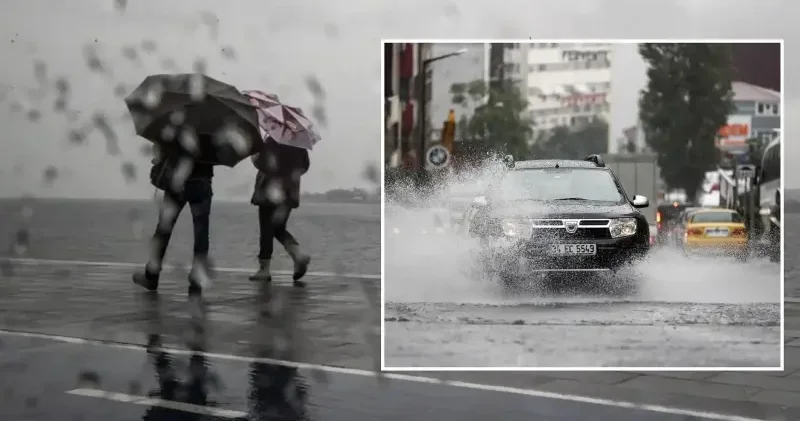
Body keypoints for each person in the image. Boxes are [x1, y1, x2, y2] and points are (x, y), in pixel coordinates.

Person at [133, 136, 215, 295]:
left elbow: (163, 148)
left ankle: (151, 275)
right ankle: (197, 280)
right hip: (202, 182)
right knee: (201, 233)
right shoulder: (212, 127)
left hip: (178, 182)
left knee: (164, 229)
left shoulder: (178, 122)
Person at [249, 137, 311, 287]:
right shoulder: (298, 143)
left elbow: (263, 164)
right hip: (289, 191)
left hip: (269, 191)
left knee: (266, 229)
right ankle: (297, 254)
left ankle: (264, 269)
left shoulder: (271, 141)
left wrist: (254, 156)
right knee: (278, 227)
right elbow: (305, 166)